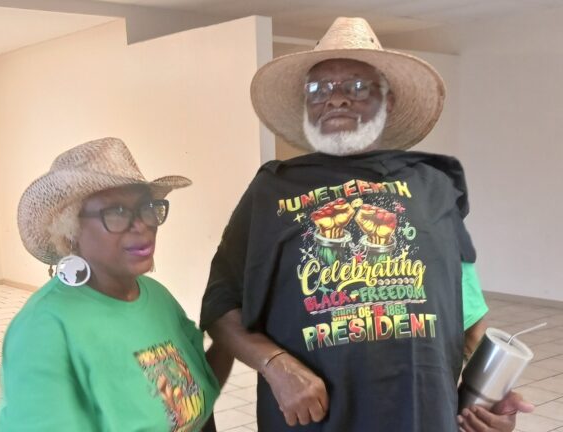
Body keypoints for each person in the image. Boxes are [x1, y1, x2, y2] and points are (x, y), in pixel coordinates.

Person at [200, 17, 533, 432]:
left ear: (388, 101)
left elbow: (468, 315)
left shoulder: (435, 186)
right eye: (318, 89)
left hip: (420, 418)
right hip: (314, 420)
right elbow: (219, 304)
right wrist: (275, 365)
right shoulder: (271, 190)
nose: (336, 99)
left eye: (357, 87)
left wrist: (485, 400)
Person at [0, 137, 231, 431]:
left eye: (146, 207)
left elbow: (198, 392)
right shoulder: (43, 330)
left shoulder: (158, 298)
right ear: (70, 230)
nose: (142, 224)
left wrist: (234, 326)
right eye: (116, 212)